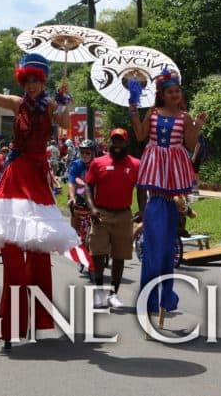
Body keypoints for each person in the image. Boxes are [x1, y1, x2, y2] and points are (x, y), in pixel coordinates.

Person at [0, 51, 78, 349]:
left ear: (43, 82)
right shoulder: (17, 104)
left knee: (38, 253)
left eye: (35, 81)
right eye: (26, 80)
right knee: (13, 255)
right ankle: (10, 326)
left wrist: (67, 101)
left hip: (38, 178)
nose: (30, 86)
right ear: (22, 81)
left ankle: (38, 321)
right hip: (16, 176)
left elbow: (65, 123)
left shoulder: (51, 105)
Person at [128, 68, 207, 318]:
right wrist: (133, 106)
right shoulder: (152, 114)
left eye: (177, 91)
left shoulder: (184, 117)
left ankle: (165, 297)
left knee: (167, 248)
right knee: (156, 247)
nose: (175, 95)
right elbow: (140, 136)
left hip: (174, 176)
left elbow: (192, 145)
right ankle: (151, 299)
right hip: (155, 179)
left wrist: (198, 126)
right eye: (170, 91)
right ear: (161, 94)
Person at [85, 129, 140, 308]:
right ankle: (99, 291)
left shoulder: (135, 164)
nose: (117, 145)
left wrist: (143, 210)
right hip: (101, 214)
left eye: (120, 142)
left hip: (124, 215)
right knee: (98, 254)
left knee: (120, 255)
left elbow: (141, 189)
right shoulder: (97, 163)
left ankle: (113, 294)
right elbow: (88, 186)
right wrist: (92, 208)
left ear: (126, 143)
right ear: (110, 142)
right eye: (114, 141)